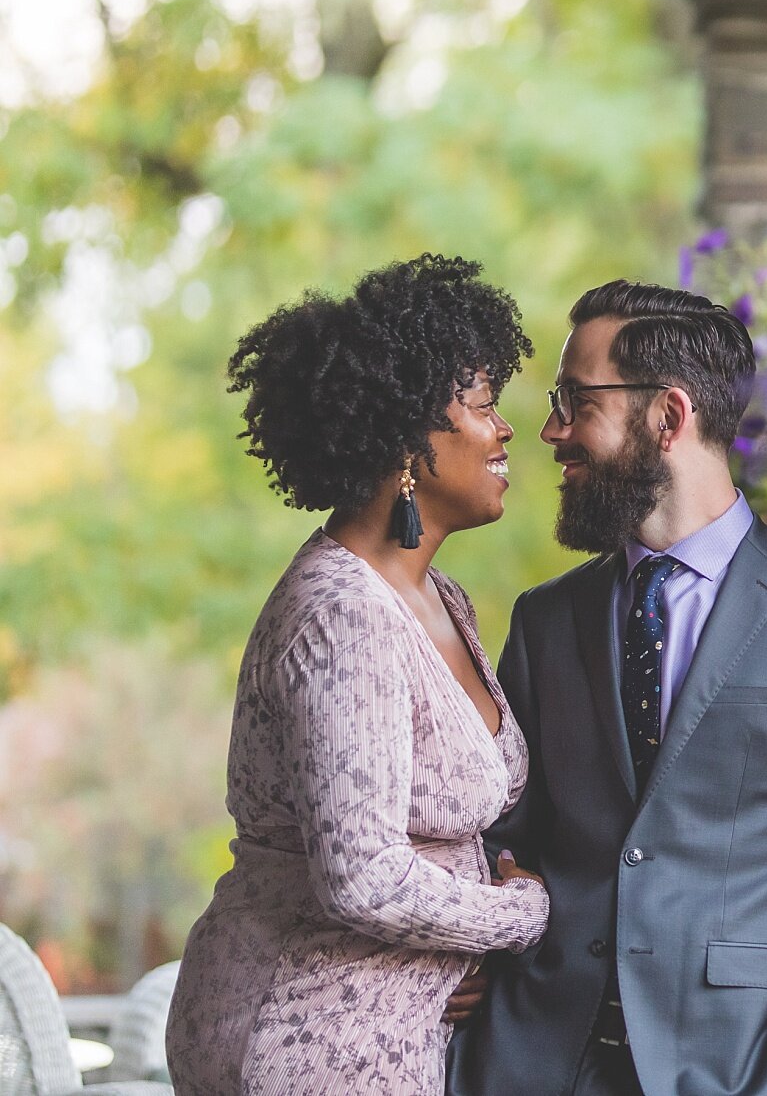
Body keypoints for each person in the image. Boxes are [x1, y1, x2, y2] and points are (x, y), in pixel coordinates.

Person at [448, 280, 767, 1096]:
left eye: (576, 400)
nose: (551, 430)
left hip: (722, 1070)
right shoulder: (545, 622)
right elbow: (495, 834)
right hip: (528, 1064)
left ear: (668, 416)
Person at [166, 255, 551, 1096]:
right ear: (411, 439)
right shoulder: (345, 614)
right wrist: (517, 914)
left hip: (376, 1027)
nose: (506, 429)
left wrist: (455, 937)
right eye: (484, 406)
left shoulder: (438, 596)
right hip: (308, 1034)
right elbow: (364, 873)